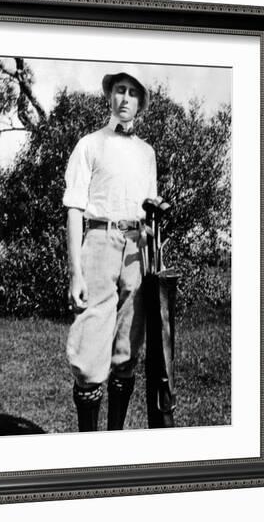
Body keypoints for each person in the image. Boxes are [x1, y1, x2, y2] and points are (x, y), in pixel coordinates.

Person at [62, 69, 157, 432]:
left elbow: (149, 208)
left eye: (133, 93)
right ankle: (89, 442)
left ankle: (114, 440)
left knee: (127, 351)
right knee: (89, 354)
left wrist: (148, 235)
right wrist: (76, 272)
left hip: (137, 248)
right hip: (99, 242)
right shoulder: (90, 144)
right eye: (120, 90)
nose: (125, 99)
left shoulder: (147, 154)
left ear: (140, 103)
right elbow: (74, 208)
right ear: (110, 96)